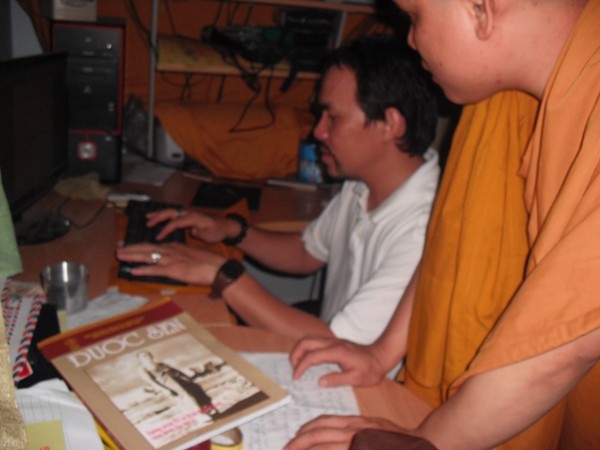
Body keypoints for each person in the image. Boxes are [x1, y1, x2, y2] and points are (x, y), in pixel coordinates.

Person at [284, 0, 600, 449]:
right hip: (478, 410)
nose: (411, 41)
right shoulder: (500, 90)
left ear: (482, 9)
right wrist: (382, 353)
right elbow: (452, 243)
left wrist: (426, 441)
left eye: (415, 17)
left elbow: (564, 346)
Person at [117, 34, 440, 345]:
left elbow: (336, 347)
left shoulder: (424, 231)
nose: (318, 131)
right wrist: (232, 230)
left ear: (389, 124)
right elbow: (305, 253)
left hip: (347, 370)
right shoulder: (363, 181)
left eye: (333, 117)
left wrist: (221, 274)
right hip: (322, 348)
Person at [137, 351, 219, 418]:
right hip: (170, 386)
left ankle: (211, 410)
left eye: (148, 355)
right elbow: (152, 382)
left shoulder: (161, 364)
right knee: (188, 398)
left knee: (198, 391)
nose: (147, 357)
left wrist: (188, 379)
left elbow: (177, 372)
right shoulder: (143, 370)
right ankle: (202, 416)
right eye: (143, 356)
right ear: (140, 360)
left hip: (180, 382)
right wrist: (165, 390)